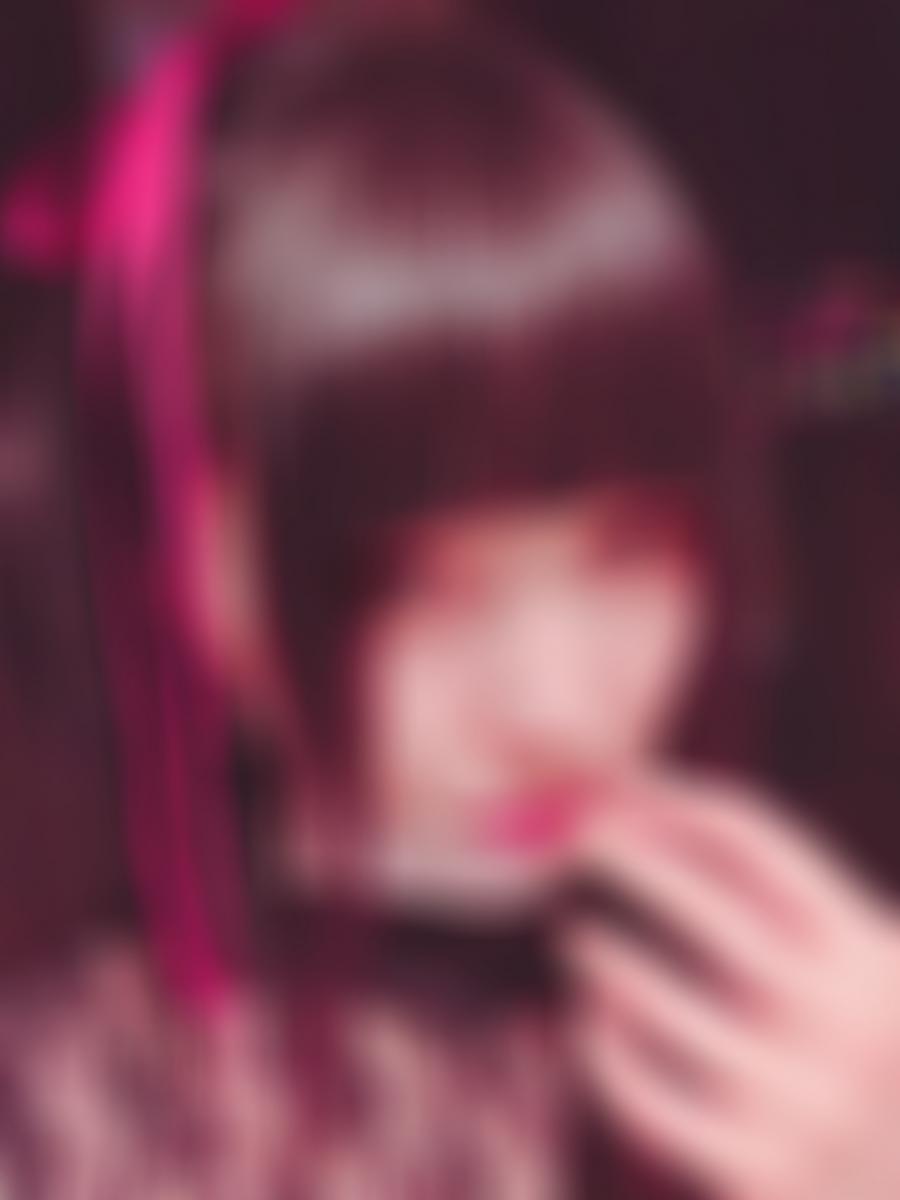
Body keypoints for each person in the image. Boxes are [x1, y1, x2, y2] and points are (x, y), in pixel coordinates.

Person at [3, 6, 900, 1199]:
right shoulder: (70, 1119)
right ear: (168, 558)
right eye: (408, 587)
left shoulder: (807, 1034)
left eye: (633, 550)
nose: (554, 704)